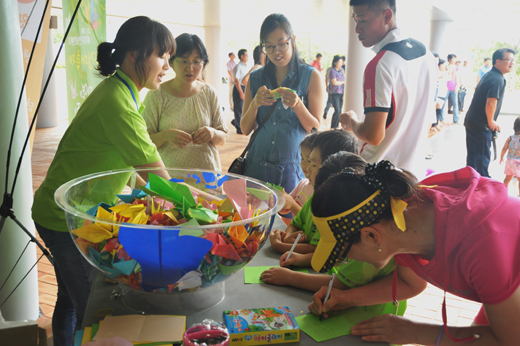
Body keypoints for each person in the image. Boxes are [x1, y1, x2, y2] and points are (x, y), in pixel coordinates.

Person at [31, 16, 175, 346]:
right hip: (65, 218)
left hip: (58, 207)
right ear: (133, 55)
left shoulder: (118, 90)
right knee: (96, 313)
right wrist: (215, 200)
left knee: (68, 301)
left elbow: (125, 168)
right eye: (161, 56)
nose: (166, 66)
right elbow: (162, 182)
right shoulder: (119, 105)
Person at [308, 160, 520, 346]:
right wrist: (347, 298)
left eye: (344, 254)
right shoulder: (399, 212)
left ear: (372, 236)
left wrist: (415, 332)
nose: (345, 261)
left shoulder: (482, 246)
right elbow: (410, 282)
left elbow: (510, 341)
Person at [339, 0, 436, 178]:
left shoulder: (380, 65)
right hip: (413, 174)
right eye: (355, 21)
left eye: (363, 20)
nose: (357, 29)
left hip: (379, 176)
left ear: (387, 16)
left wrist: (351, 121)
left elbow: (373, 135)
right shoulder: (426, 55)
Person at [241, 13, 325, 193]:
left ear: (292, 40)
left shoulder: (311, 76)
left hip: (293, 166)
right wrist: (255, 103)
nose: (276, 51)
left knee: (290, 216)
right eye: (269, 46)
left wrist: (298, 105)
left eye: (281, 44)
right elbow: (245, 129)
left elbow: (315, 129)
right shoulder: (255, 78)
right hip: (257, 164)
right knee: (255, 217)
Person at [142, 33, 228, 171]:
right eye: (183, 61)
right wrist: (165, 136)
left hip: (206, 175)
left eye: (196, 61)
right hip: (170, 176)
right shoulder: (157, 95)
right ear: (171, 62)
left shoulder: (209, 93)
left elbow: (222, 139)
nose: (190, 68)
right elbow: (143, 142)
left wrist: (212, 133)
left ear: (203, 63)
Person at [269, 129, 359, 258]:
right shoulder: (315, 196)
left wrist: (280, 245)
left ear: (333, 167)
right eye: (305, 159)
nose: (307, 168)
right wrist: (288, 238)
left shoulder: (336, 206)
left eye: (313, 163)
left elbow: (319, 251)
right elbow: (295, 224)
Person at [464, 48, 516, 178]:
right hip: (480, 124)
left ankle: (470, 182)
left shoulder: (490, 74)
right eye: (509, 59)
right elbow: (491, 102)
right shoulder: (497, 79)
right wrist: (490, 121)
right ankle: (483, 185)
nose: (512, 63)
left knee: (473, 156)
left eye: (513, 60)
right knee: (482, 158)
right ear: (497, 61)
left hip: (472, 121)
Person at [278, 130, 319, 216]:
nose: (303, 164)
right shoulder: (302, 184)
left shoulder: (320, 193)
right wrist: (279, 201)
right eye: (302, 158)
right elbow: (284, 209)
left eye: (309, 160)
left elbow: (310, 221)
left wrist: (293, 205)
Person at [500, 116, 520, 196]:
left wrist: (501, 157)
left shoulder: (510, 138)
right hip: (518, 162)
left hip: (510, 162)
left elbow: (504, 148)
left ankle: (504, 193)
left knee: (507, 179)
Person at [231, 49, 249, 134]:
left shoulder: (245, 66)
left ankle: (237, 122)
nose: (247, 56)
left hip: (244, 88)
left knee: (243, 108)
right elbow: (237, 80)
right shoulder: (238, 66)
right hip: (239, 88)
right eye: (246, 55)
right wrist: (241, 92)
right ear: (242, 56)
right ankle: (239, 128)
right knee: (238, 109)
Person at [326, 55, 345, 129]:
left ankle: (336, 126)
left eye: (341, 62)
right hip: (334, 93)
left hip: (341, 93)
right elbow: (334, 82)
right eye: (339, 62)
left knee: (339, 111)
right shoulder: (332, 71)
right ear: (335, 63)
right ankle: (333, 126)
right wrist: (343, 82)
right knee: (337, 110)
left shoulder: (341, 71)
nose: (341, 63)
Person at [446, 54, 460, 123]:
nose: (454, 60)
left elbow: (457, 77)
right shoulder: (446, 66)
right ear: (449, 59)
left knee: (455, 104)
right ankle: (442, 119)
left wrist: (457, 85)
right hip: (446, 87)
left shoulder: (456, 67)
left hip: (453, 87)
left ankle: (456, 120)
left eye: (455, 59)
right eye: (453, 59)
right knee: (443, 103)